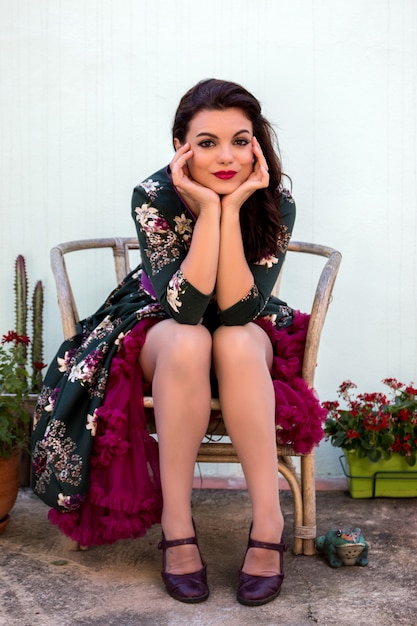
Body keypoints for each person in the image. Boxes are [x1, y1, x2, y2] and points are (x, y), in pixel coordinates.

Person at [32, 79, 326, 607]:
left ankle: (269, 519)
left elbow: (239, 310)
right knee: (191, 340)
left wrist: (233, 208)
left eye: (240, 140)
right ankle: (176, 523)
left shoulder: (274, 197)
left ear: (257, 142)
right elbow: (185, 307)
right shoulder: (155, 194)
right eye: (207, 142)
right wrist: (207, 211)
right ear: (180, 148)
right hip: (161, 317)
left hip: (243, 320)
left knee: (235, 341)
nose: (226, 157)